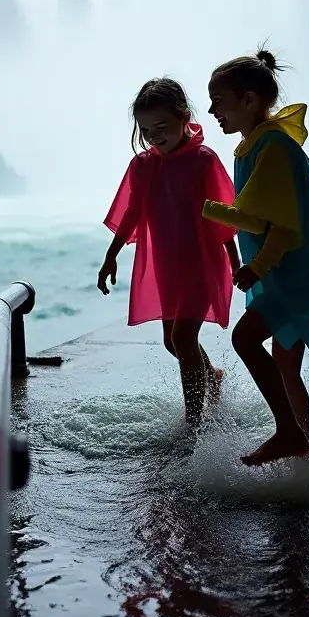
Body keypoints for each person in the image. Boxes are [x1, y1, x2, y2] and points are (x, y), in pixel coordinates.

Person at [203, 50, 309, 467]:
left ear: (249, 100)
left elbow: (284, 226)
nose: (212, 109)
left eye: (219, 100)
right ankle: (302, 452)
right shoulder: (258, 144)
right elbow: (258, 216)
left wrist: (255, 265)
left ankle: (289, 433)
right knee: (285, 366)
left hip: (297, 274)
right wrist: (210, 211)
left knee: (244, 338)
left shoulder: (271, 146)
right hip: (295, 274)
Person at [98, 78, 240, 430]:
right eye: (146, 130)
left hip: (201, 262)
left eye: (162, 127)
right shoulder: (143, 165)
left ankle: (194, 422)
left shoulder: (203, 161)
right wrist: (111, 255)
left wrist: (235, 261)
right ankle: (212, 375)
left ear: (184, 118)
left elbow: (222, 213)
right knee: (171, 340)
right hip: (165, 265)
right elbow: (132, 213)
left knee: (182, 337)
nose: (154, 136)